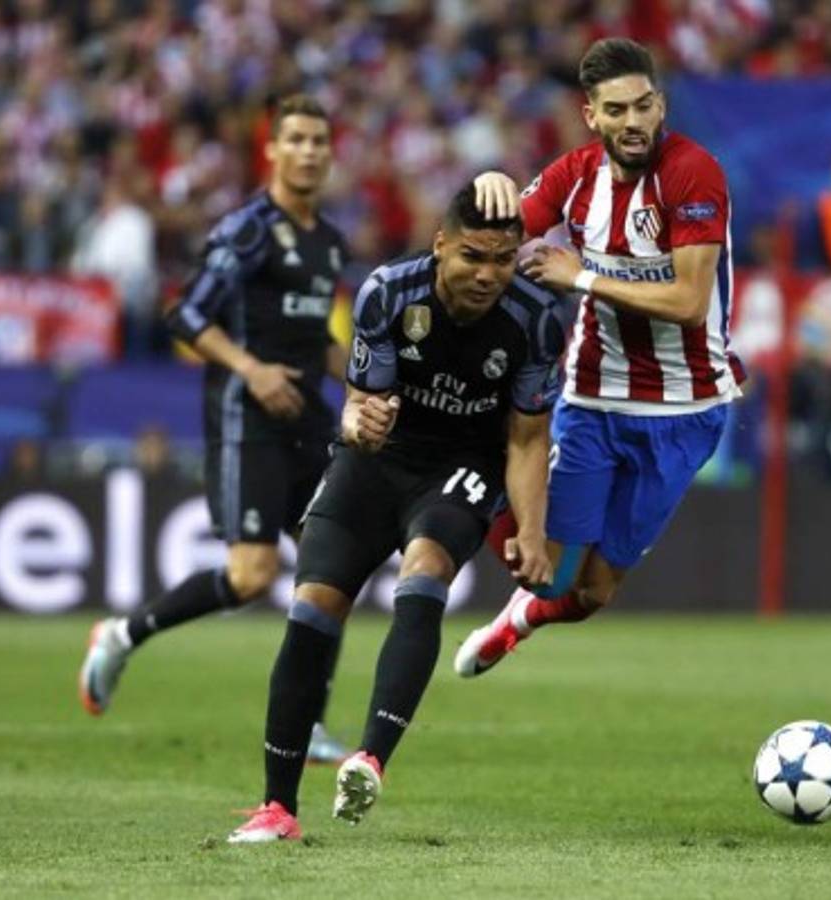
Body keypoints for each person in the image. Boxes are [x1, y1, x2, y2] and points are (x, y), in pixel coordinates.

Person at [227, 183, 573, 843]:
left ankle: (370, 757)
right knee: (312, 609)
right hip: (379, 461)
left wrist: (530, 531)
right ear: (441, 244)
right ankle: (276, 809)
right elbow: (362, 407)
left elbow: (528, 437)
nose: (487, 274)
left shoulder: (534, 318)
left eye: (503, 259)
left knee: (425, 572)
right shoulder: (388, 292)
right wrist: (360, 422)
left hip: (463, 467)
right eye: (473, 255)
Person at [453, 37, 743, 678]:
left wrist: (581, 277)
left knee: (591, 595)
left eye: (643, 107)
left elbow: (691, 302)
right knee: (551, 575)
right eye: (617, 111)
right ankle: (484, 523)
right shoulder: (572, 175)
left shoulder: (695, 174)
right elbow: (489, 238)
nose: (633, 122)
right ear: (593, 116)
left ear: (660, 105)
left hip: (685, 407)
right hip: (591, 398)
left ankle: (514, 621)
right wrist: (490, 194)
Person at [78, 94, 350, 763]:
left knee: (336, 562)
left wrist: (369, 389)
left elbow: (320, 340)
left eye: (320, 140)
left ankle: (307, 719)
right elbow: (186, 314)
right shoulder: (248, 229)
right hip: (246, 414)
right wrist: (252, 370)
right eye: (298, 140)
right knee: (253, 574)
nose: (311, 150)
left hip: (310, 418)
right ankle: (122, 634)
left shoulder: (329, 242)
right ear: (273, 150)